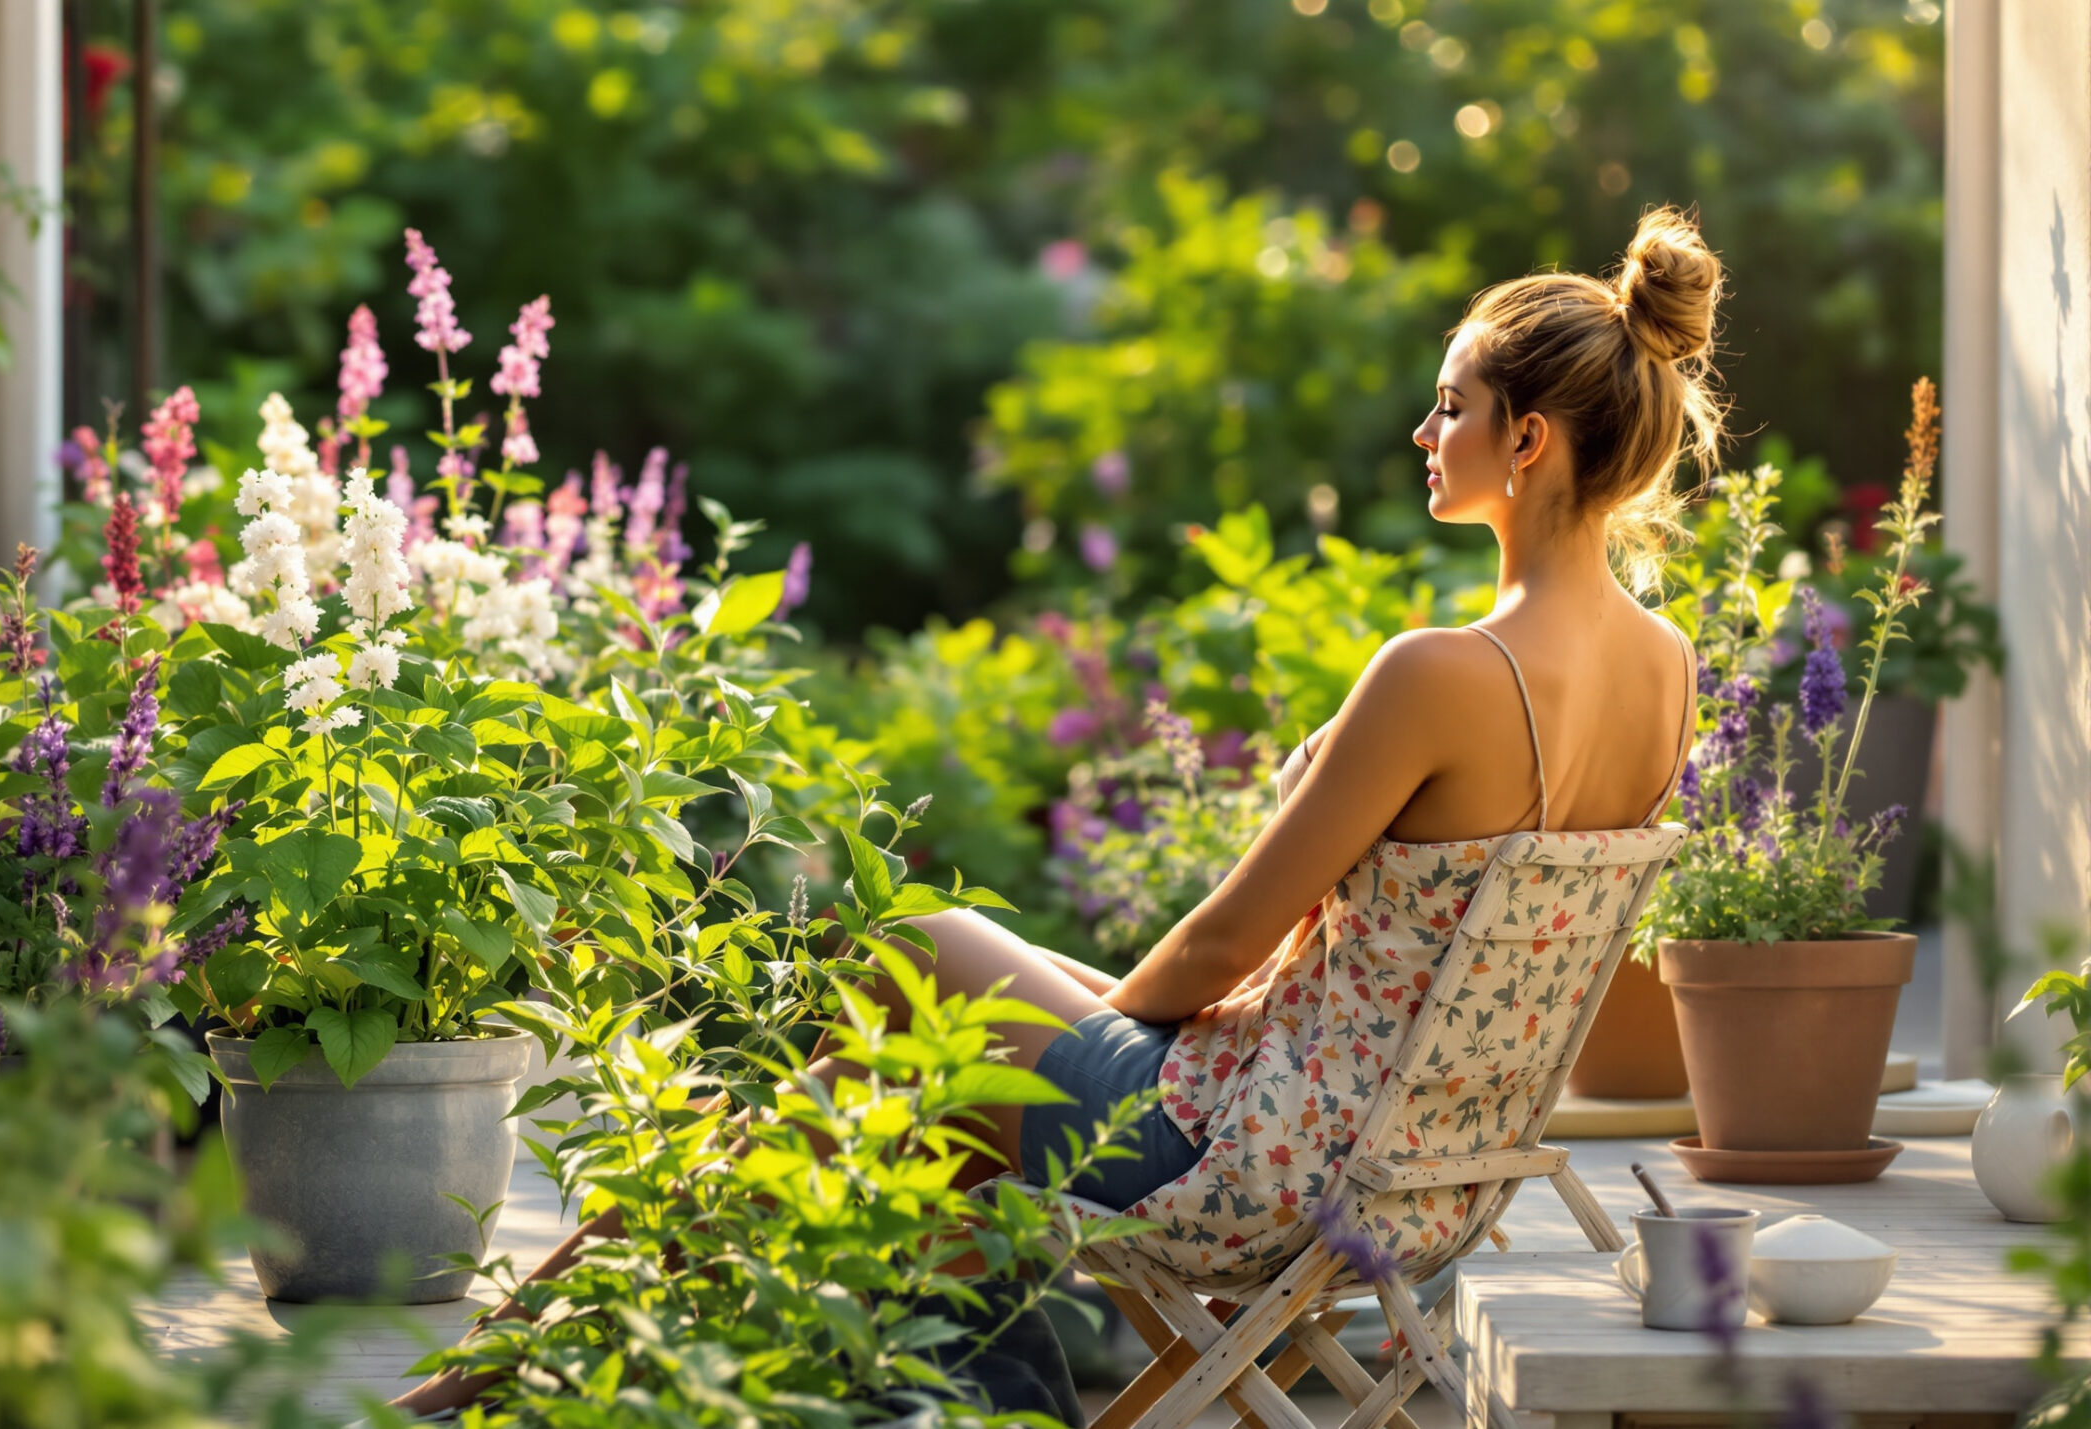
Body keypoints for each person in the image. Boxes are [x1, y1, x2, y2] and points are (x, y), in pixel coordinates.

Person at [394, 205, 1715, 1415]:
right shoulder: (1667, 674)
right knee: (921, 1053)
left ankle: (538, 1354)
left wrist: (1085, 1045)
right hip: (1421, 1178)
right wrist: (1083, 1042)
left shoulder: (1441, 674)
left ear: (1527, 439)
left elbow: (1216, 948)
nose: (1425, 434)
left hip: (1247, 1164)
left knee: (911, 960)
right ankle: (718, 1364)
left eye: (1451, 406)